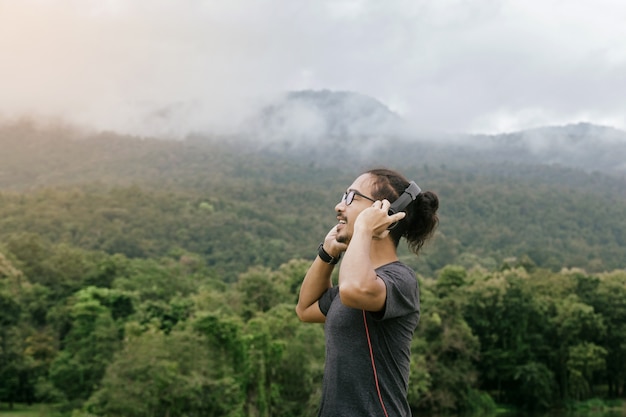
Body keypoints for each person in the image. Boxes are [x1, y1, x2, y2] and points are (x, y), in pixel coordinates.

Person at [295, 168, 439, 417]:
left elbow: (354, 290)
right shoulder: (355, 282)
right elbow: (306, 309)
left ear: (384, 212)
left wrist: (363, 230)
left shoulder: (400, 280)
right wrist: (327, 254)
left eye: (352, 197)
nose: (339, 206)